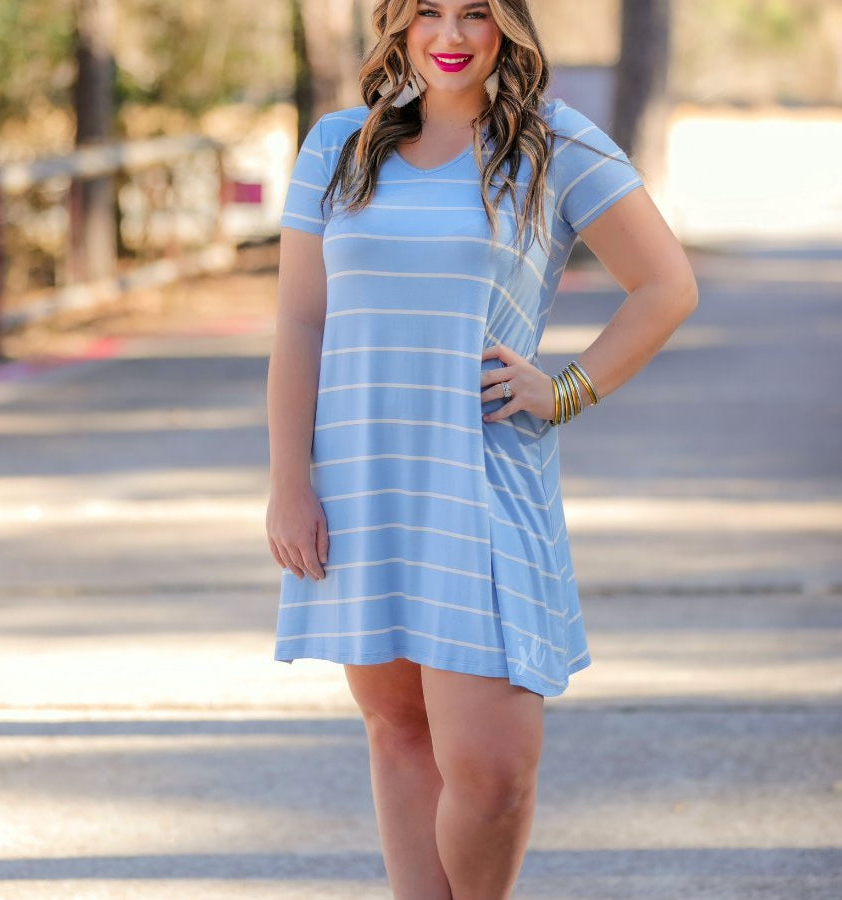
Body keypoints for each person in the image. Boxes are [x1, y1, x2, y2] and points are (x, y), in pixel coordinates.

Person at [265, 1, 698, 897]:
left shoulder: (553, 144)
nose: (451, 35)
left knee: (495, 773)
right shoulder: (336, 147)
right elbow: (302, 321)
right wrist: (287, 484)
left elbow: (666, 285)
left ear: (509, 26)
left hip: (483, 480)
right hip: (361, 482)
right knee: (397, 728)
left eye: (475, 12)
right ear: (397, 25)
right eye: (428, 12)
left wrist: (566, 389)